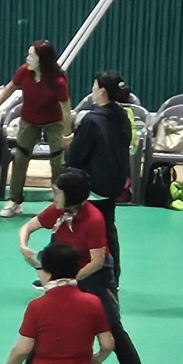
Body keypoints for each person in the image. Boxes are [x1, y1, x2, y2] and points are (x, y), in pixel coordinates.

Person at [18, 167, 141, 364]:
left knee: (112, 326)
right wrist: (24, 246)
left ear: (71, 195)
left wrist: (70, 281)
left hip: (95, 274)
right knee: (50, 318)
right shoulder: (58, 210)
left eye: (57, 192)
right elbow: (27, 227)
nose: (53, 196)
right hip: (66, 268)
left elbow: (97, 261)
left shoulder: (93, 220)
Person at [64, 71, 134, 282]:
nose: (92, 91)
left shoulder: (91, 120)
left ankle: (61, 274)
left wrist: (65, 181)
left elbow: (77, 156)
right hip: (115, 183)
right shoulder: (122, 116)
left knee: (73, 229)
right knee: (108, 228)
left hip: (92, 186)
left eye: (94, 87)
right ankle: (113, 276)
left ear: (102, 91)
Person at [0, 40, 69, 218]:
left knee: (58, 163)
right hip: (29, 120)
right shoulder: (24, 71)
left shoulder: (57, 81)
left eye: (31, 55)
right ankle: (15, 201)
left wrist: (67, 133)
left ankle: (61, 204)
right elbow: (9, 88)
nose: (27, 58)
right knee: (20, 158)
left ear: (42, 59)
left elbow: (66, 107)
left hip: (54, 121)